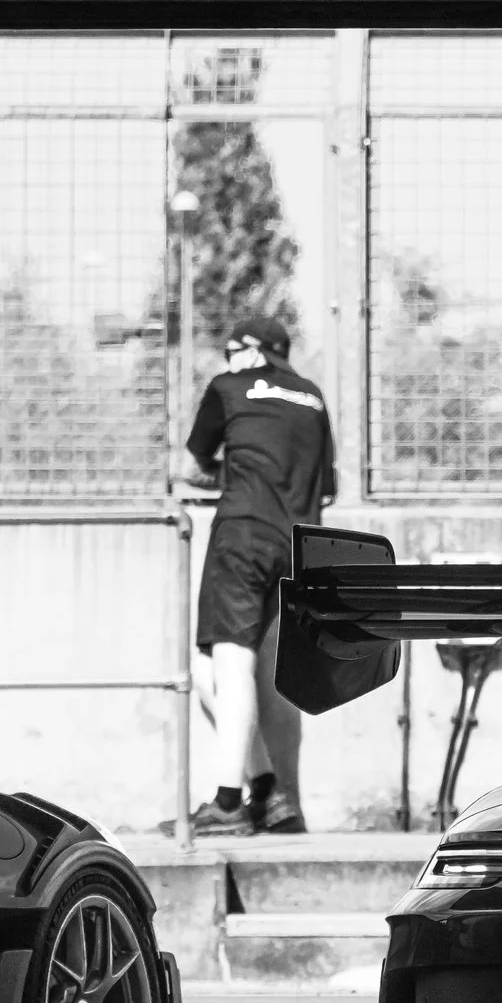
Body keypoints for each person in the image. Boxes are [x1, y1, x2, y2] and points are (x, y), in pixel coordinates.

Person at [182, 316, 335, 836]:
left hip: (243, 535)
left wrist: (234, 475)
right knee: (209, 672)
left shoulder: (229, 387)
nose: (225, 360)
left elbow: (190, 467)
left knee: (228, 664)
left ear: (253, 351)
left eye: (231, 350)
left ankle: (227, 802)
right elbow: (328, 487)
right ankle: (269, 793)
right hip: (299, 545)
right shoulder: (313, 398)